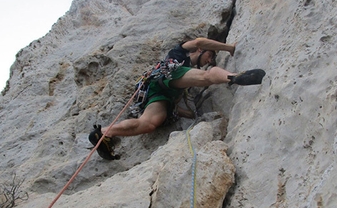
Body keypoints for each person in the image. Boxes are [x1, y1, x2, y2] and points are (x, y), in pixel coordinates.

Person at [89, 37, 265, 159]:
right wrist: (229, 48)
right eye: (209, 56)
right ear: (200, 51)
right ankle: (233, 77)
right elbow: (199, 42)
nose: (209, 60)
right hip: (168, 74)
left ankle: (104, 132)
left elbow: (174, 104)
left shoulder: (184, 73)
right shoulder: (179, 54)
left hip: (159, 93)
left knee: (148, 124)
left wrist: (189, 115)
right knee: (206, 77)